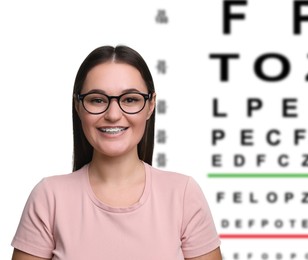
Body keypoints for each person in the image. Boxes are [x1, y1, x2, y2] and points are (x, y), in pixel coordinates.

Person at [11, 45, 222, 260]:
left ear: (151, 105)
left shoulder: (183, 195)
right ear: (78, 106)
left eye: (130, 99)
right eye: (97, 100)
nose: (113, 114)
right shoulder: (49, 197)